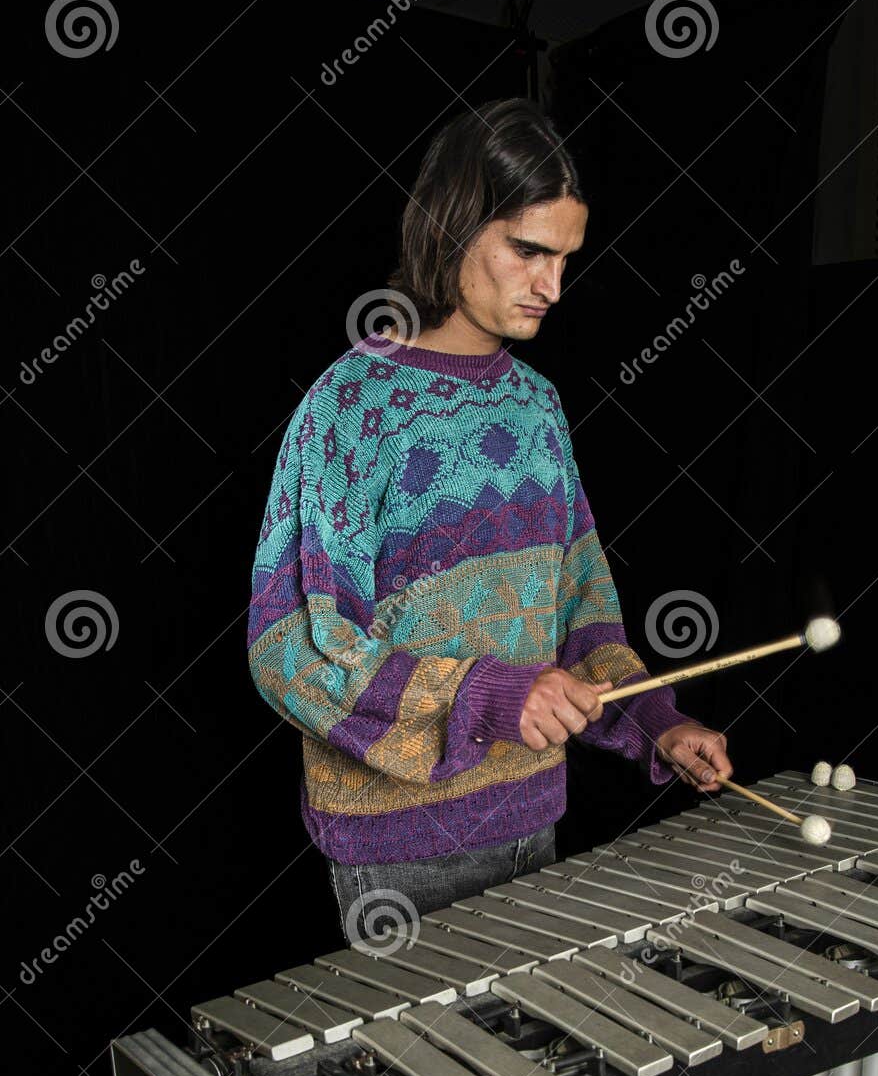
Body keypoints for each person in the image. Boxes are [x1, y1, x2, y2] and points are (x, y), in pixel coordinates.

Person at [247, 96, 732, 946]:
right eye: (528, 252)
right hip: (402, 850)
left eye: (566, 258)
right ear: (453, 228)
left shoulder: (539, 407)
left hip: (535, 825)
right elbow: (291, 650)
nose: (552, 286)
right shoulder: (351, 408)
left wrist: (660, 720)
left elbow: (582, 612)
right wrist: (487, 694)